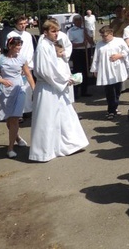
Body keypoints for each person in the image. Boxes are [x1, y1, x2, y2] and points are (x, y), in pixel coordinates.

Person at [29, 19, 89, 162]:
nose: (56, 34)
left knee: (64, 114)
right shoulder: (43, 46)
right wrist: (63, 80)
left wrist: (65, 78)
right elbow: (45, 71)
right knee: (48, 117)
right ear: (45, 32)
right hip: (48, 87)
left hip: (56, 85)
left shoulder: (50, 44)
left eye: (57, 31)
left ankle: (68, 144)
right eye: (53, 31)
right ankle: (45, 151)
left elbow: (55, 66)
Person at [0, 37, 36, 158]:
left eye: (20, 45)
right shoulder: (0, 58)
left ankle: (10, 148)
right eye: (17, 46)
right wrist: (2, 80)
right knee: (9, 120)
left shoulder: (22, 59)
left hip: (19, 90)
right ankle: (17, 138)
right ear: (10, 46)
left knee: (15, 118)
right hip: (5, 92)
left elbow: (29, 75)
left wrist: (35, 90)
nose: (19, 48)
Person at [90, 25, 129, 119]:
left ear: (111, 33)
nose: (104, 38)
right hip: (105, 70)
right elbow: (96, 57)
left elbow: (127, 52)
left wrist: (119, 55)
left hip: (117, 69)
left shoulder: (119, 41)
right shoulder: (100, 44)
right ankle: (111, 110)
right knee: (109, 91)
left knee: (117, 90)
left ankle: (114, 106)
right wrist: (95, 70)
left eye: (105, 36)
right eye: (102, 36)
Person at [67, 14, 94, 99]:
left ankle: (84, 90)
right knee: (77, 71)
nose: (78, 22)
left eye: (80, 20)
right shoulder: (71, 31)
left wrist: (85, 33)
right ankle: (75, 91)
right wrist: (81, 44)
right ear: (74, 22)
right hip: (77, 52)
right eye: (76, 20)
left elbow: (91, 42)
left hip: (86, 51)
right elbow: (70, 44)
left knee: (86, 70)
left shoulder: (87, 29)